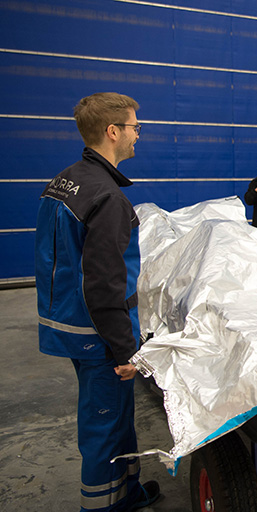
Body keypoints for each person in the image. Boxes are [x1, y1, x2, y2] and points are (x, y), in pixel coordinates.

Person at [35, 93, 161, 511]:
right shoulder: (107, 198)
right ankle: (103, 505)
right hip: (96, 333)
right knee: (104, 425)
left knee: (119, 418)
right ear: (113, 132)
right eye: (135, 128)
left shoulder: (66, 180)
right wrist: (124, 347)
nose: (137, 136)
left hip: (68, 320)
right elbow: (104, 282)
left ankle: (127, 492)